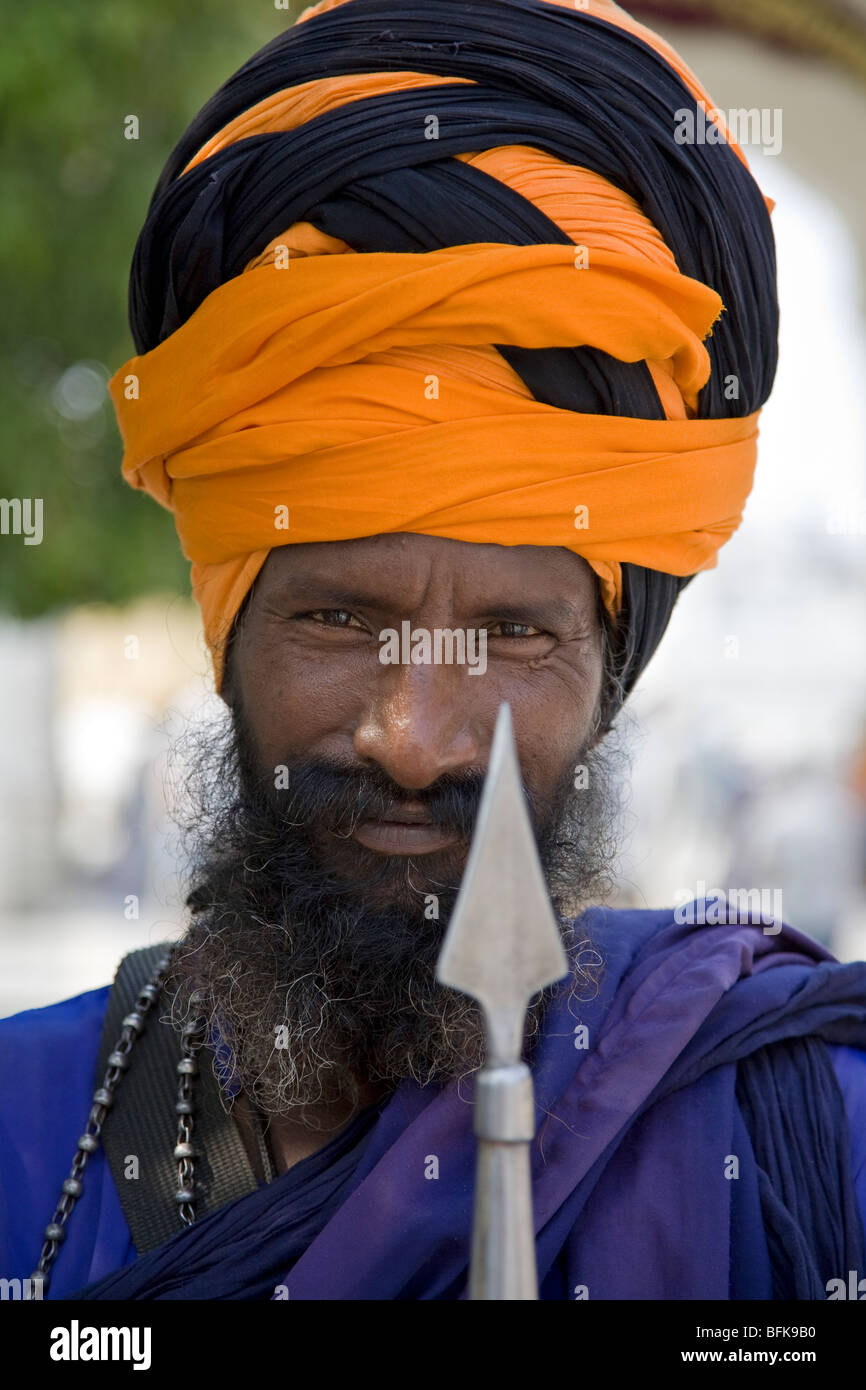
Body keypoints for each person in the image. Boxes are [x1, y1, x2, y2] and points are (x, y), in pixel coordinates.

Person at [2, 0, 865, 1301]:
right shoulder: (24, 1128)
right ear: (228, 626)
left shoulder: (803, 1136)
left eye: (513, 632)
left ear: (609, 663)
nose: (410, 733)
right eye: (339, 618)